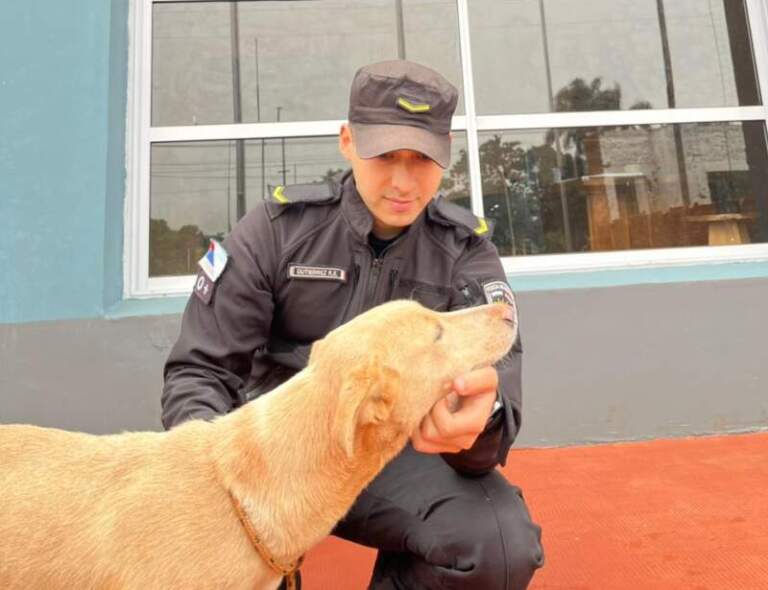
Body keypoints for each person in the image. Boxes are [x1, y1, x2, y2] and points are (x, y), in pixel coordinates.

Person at [162, 60, 544, 590]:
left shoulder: (466, 251)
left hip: (393, 461)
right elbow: (199, 371)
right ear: (347, 141)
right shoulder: (275, 231)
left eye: (424, 158)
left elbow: (499, 397)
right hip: (274, 459)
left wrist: (482, 421)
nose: (404, 181)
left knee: (496, 546)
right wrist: (215, 486)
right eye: (386, 155)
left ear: (447, 153)